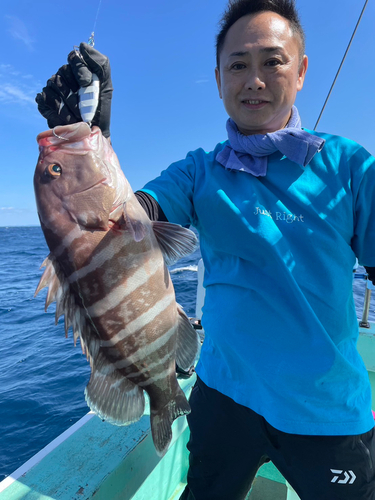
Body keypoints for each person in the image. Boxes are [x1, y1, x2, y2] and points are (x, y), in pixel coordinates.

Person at [36, 0, 375, 498]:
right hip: (224, 394)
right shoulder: (199, 170)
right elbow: (133, 216)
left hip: (326, 410)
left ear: (300, 72)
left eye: (272, 62)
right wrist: (92, 134)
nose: (254, 79)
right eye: (238, 65)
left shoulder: (351, 168)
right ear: (218, 80)